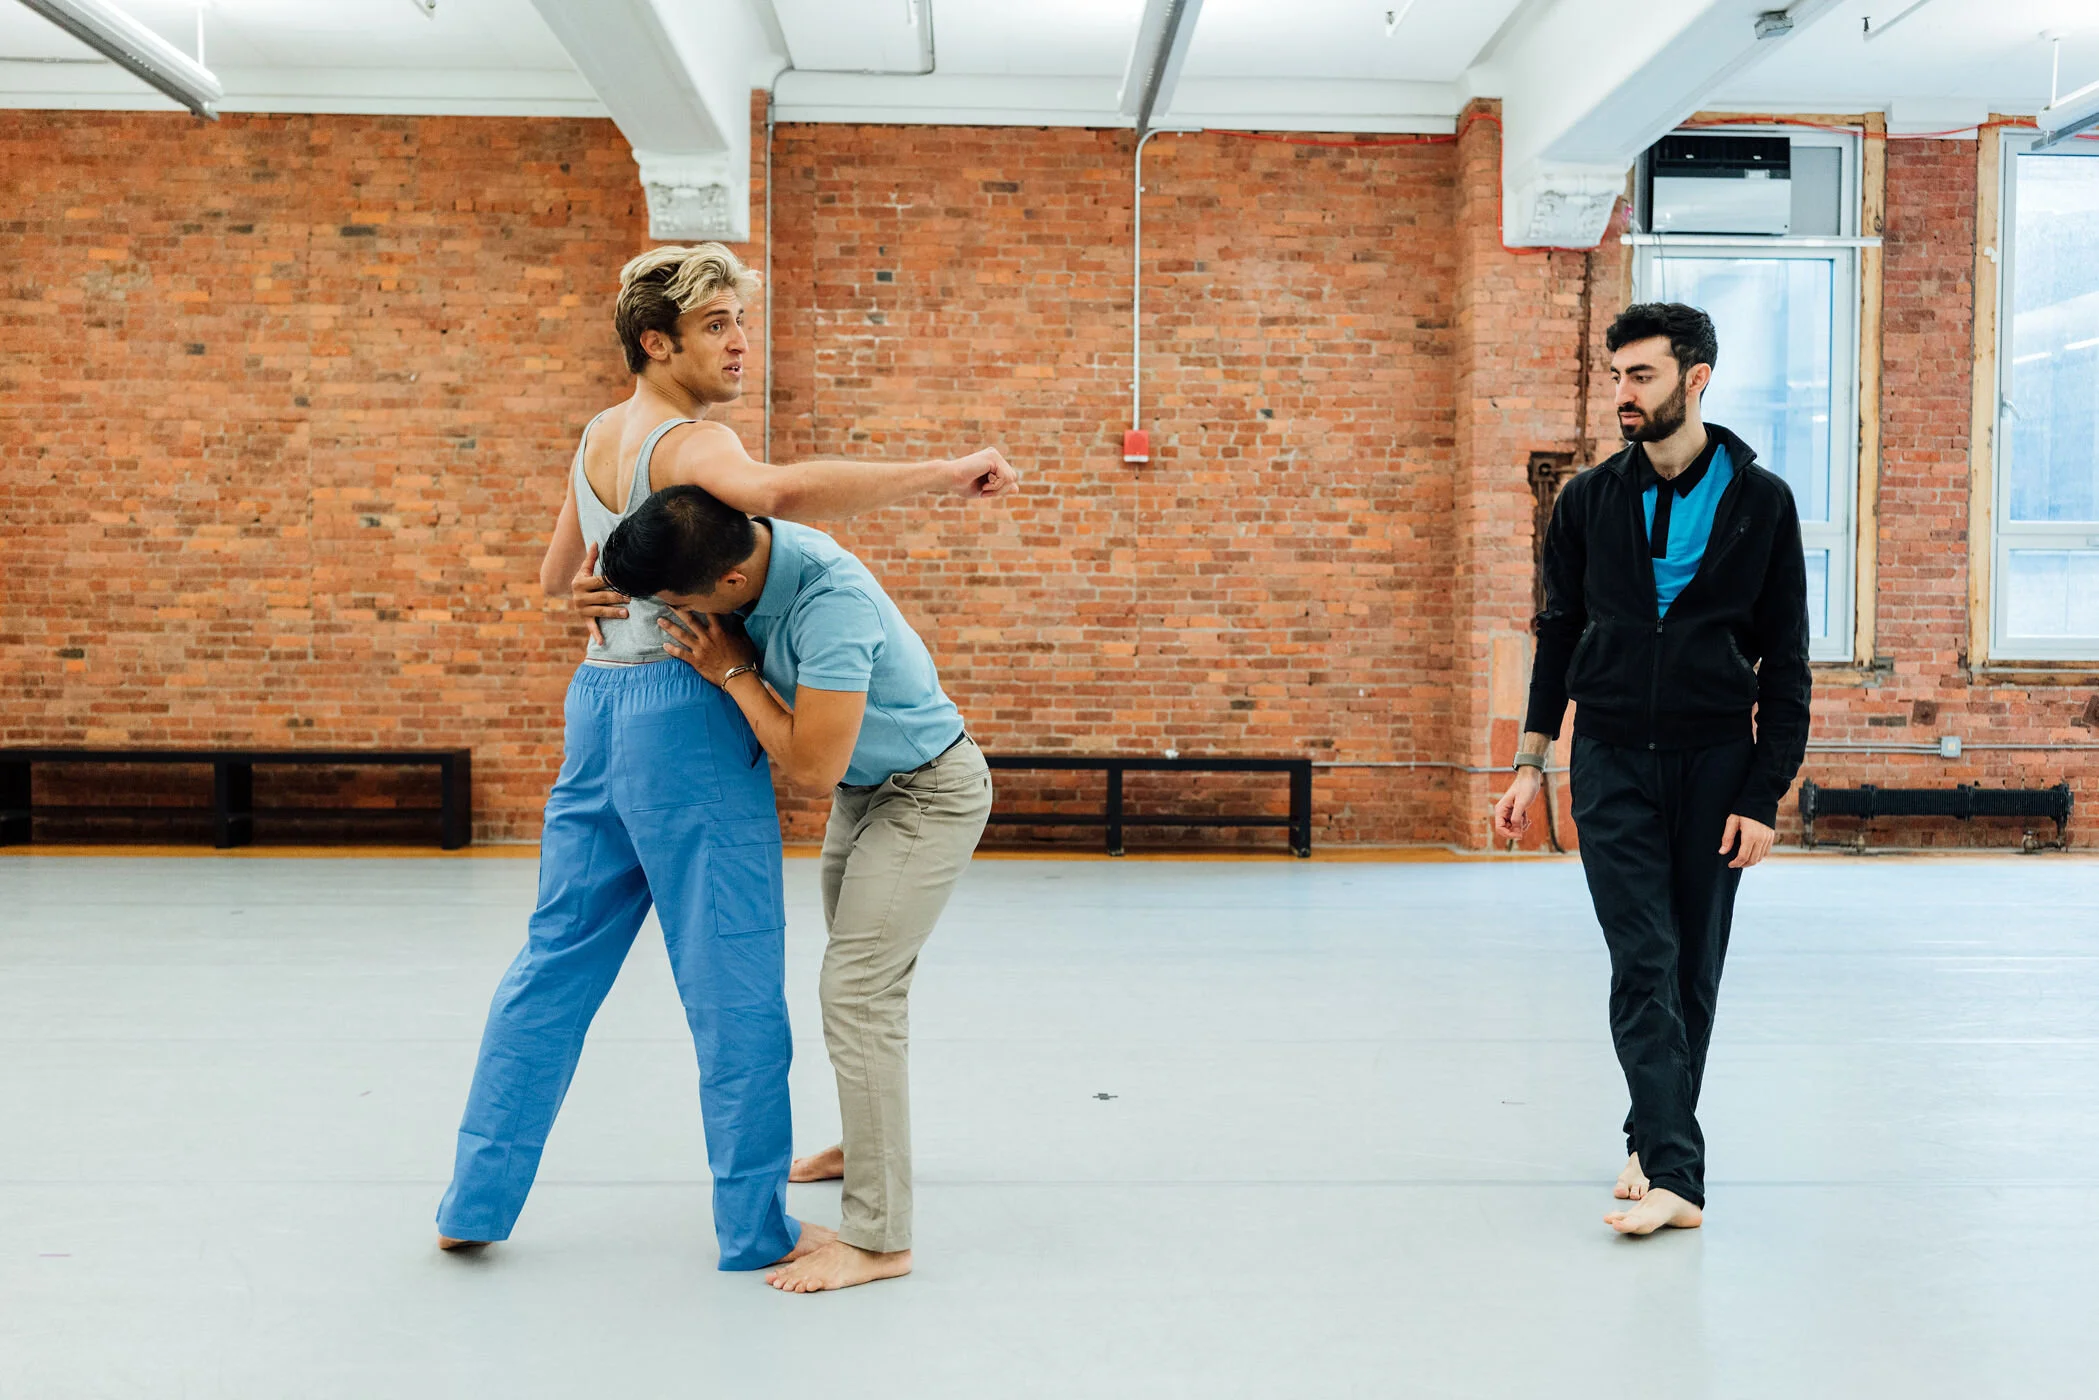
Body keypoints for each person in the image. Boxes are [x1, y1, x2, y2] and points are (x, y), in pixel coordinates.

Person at [434, 242, 1017, 1269]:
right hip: (682, 712)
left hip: (594, 707)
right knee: (731, 978)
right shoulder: (691, 443)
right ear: (656, 343)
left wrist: (595, 592)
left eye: (739, 320)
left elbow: (558, 576)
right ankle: (752, 1229)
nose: (739, 341)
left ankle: (473, 1199)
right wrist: (941, 471)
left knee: (552, 960)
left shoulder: (597, 435)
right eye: (715, 326)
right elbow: (780, 494)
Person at [597, 483, 993, 1293]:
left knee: (857, 994)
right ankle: (869, 1144)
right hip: (869, 794)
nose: (674, 615)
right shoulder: (737, 543)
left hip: (925, 795)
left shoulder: (830, 607)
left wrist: (734, 671)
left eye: (678, 604)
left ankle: (880, 1240)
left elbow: (812, 767)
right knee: (865, 993)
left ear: (730, 583)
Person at [1492, 302, 1810, 1236]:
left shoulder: (1762, 503)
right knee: (1643, 957)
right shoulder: (1588, 501)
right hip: (1610, 759)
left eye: (1642, 376)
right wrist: (1528, 763)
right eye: (1617, 377)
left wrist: (1762, 795)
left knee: (1692, 968)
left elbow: (1786, 666)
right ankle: (1677, 1176)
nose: (1623, 394)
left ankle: (1649, 1135)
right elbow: (1557, 635)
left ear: (1695, 379)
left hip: (1716, 762)